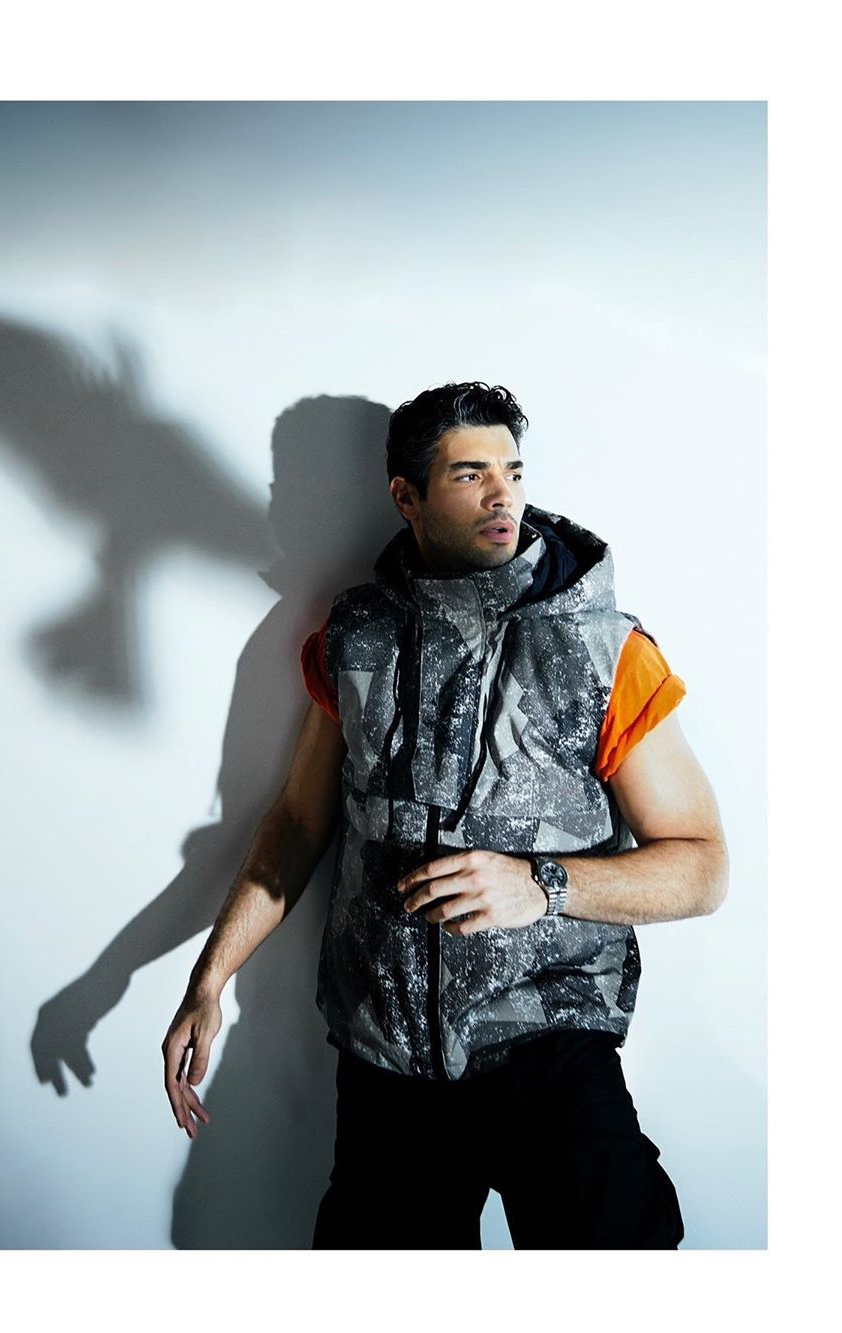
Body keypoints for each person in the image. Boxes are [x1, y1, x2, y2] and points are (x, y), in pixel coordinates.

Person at [162, 381, 728, 1250]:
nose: (504, 495)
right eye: (471, 475)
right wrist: (209, 980)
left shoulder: (605, 649)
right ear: (407, 496)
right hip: (386, 1059)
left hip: (551, 1047)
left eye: (513, 471)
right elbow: (299, 824)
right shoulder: (353, 637)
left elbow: (701, 865)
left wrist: (541, 886)